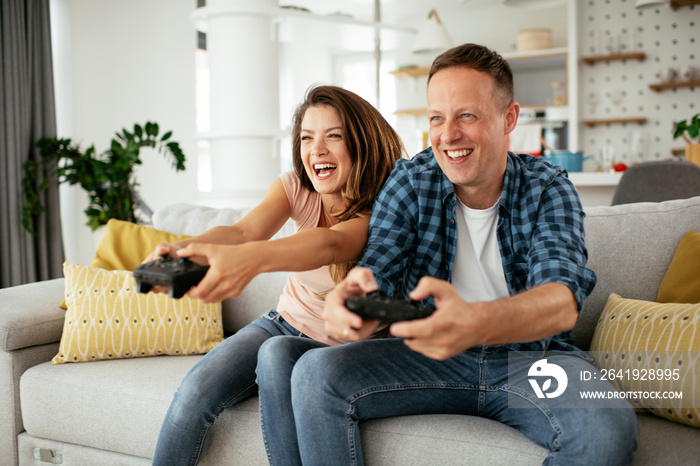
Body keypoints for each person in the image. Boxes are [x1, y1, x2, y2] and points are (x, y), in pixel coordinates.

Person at [256, 44, 639, 465]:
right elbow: (378, 266)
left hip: (530, 361)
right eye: (437, 118)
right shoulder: (409, 182)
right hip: (428, 360)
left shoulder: (549, 188)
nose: (448, 135)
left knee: (606, 430)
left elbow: (560, 301)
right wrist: (352, 302)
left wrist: (474, 322)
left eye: (467, 116)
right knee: (313, 373)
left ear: (509, 118)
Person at [148, 85, 405, 466]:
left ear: (363, 142)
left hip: (344, 349)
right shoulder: (297, 187)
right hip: (282, 324)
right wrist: (184, 250)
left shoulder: (386, 206)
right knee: (192, 394)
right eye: (306, 138)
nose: (316, 150)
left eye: (333, 136)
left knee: (277, 358)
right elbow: (242, 233)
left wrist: (250, 261)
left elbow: (330, 245)